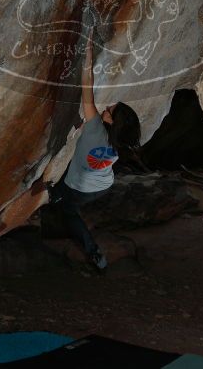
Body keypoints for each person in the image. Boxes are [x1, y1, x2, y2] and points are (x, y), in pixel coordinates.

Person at [47, 32, 141, 269]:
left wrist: (87, 55)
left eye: (110, 107)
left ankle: (92, 250)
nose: (107, 105)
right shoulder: (119, 140)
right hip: (102, 187)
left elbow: (86, 86)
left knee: (67, 209)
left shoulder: (95, 128)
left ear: (110, 117)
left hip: (78, 187)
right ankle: (92, 251)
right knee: (71, 185)